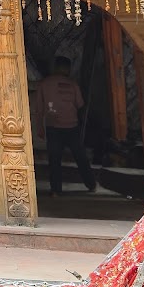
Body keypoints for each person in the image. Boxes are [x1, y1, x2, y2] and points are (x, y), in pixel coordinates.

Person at [40, 56, 96, 195]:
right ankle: (91, 184)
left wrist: (40, 127)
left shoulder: (45, 84)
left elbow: (39, 108)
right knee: (80, 157)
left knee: (54, 159)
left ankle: (56, 190)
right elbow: (80, 104)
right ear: (68, 69)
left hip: (53, 127)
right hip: (71, 126)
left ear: (55, 68)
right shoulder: (73, 85)